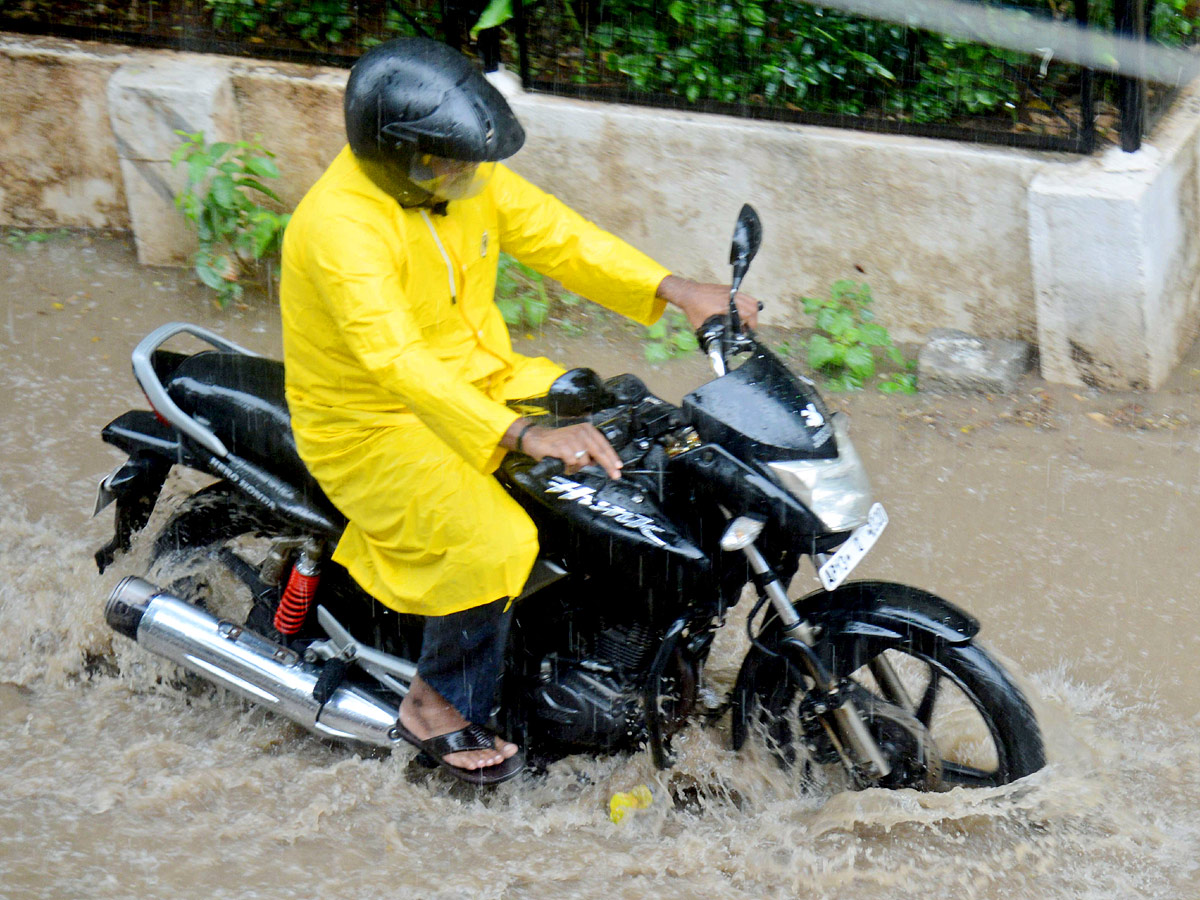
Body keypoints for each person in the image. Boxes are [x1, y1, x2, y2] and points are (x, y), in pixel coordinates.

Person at [279, 36, 758, 784]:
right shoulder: (341, 227)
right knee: (494, 539)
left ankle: (601, 643)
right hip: (373, 423)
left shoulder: (459, 180)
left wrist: (677, 290)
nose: (471, 175)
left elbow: (561, 238)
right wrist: (525, 433)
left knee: (647, 441)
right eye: (450, 160)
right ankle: (435, 702)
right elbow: (396, 362)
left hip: (485, 383)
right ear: (397, 155)